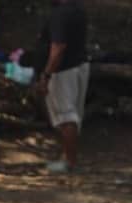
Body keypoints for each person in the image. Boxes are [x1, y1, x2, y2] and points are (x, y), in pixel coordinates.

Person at [37, 0, 89, 173]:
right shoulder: (78, 10)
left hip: (62, 70)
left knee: (66, 117)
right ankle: (67, 157)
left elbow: (58, 47)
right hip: (78, 65)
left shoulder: (60, 14)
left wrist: (47, 74)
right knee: (73, 114)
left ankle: (70, 162)